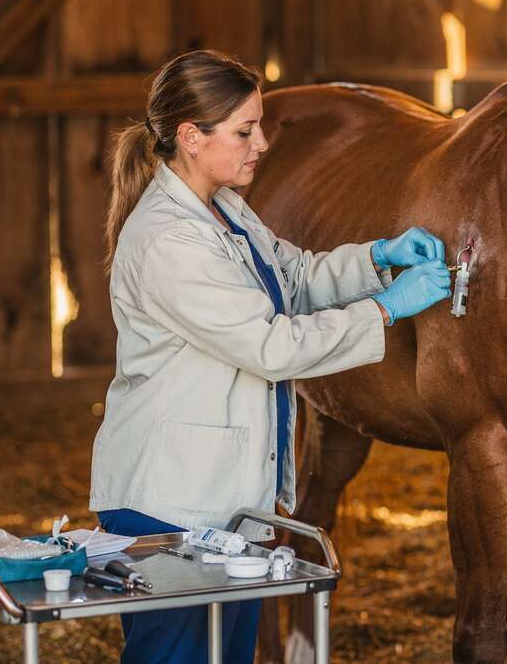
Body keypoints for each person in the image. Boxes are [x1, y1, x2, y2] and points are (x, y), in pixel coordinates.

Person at [89, 49, 451, 663]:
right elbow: (270, 346)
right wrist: (386, 310)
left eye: (258, 127)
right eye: (244, 131)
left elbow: (296, 276)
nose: (261, 143)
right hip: (168, 502)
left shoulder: (224, 209)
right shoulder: (168, 240)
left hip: (221, 499)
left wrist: (378, 257)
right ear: (190, 137)